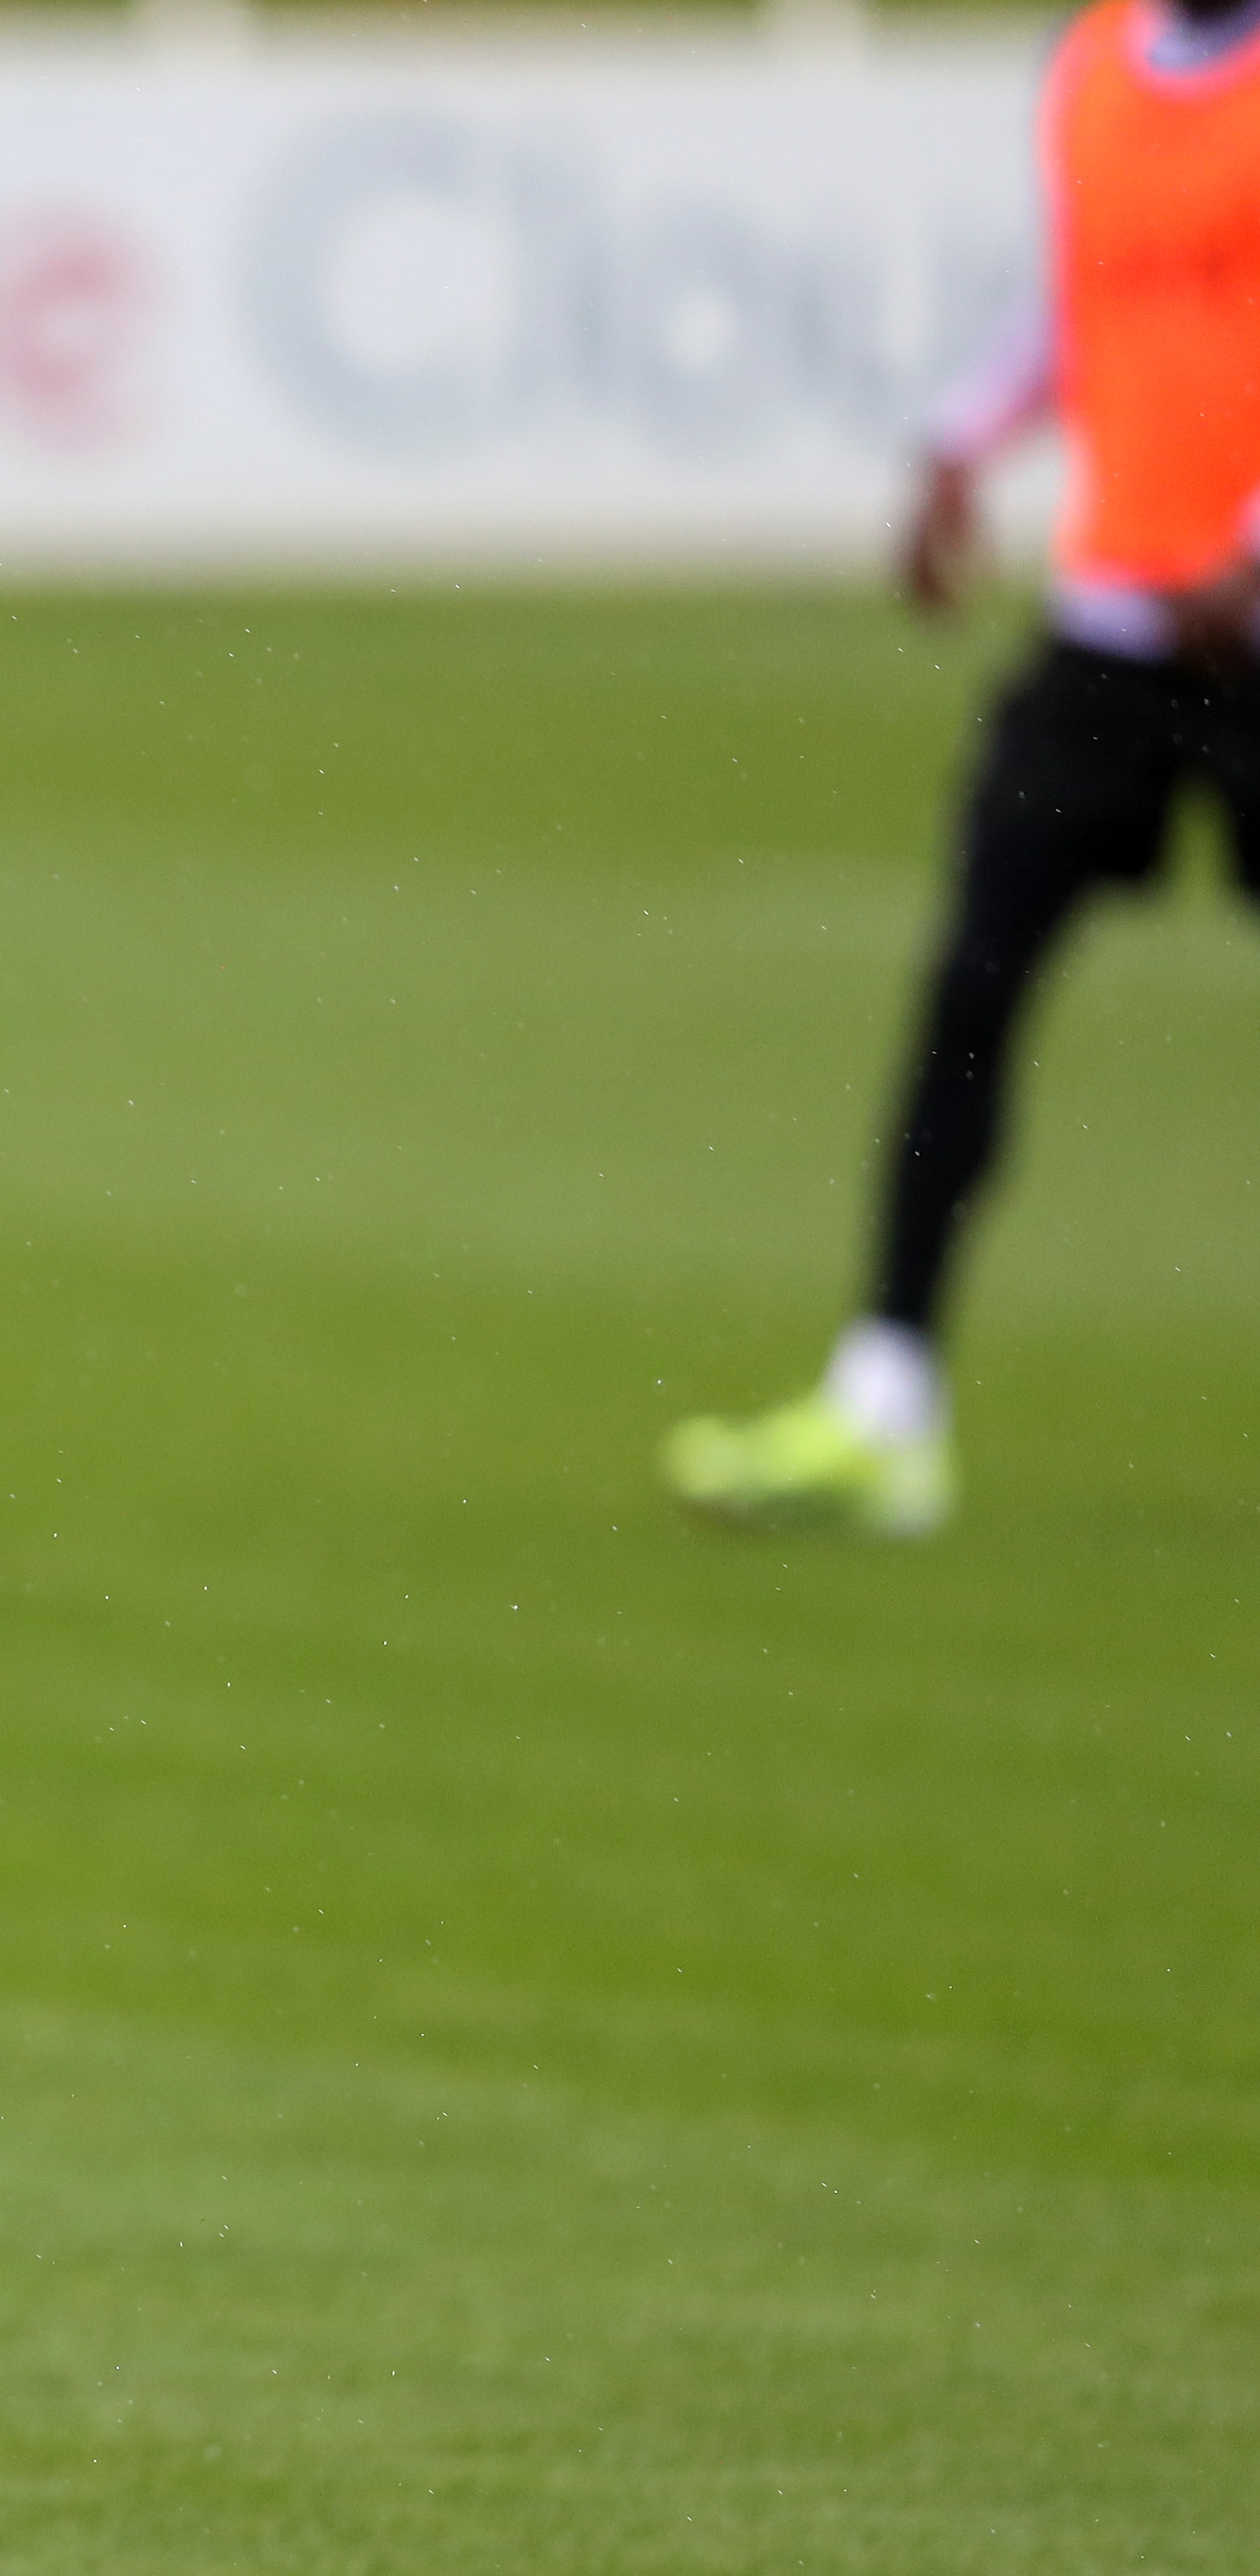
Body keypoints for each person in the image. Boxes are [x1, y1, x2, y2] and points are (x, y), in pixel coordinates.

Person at [667, 0, 1260, 1537]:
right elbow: (1076, 302)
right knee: (975, 983)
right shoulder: (1093, 65)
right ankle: (886, 1401)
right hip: (1116, 622)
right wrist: (956, 445)